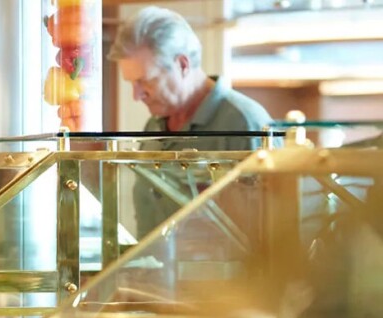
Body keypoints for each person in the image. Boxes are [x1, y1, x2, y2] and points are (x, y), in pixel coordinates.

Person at [108, 6, 274, 238]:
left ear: (183, 65)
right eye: (131, 84)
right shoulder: (153, 127)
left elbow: (270, 233)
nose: (137, 95)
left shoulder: (246, 123)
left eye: (146, 81)